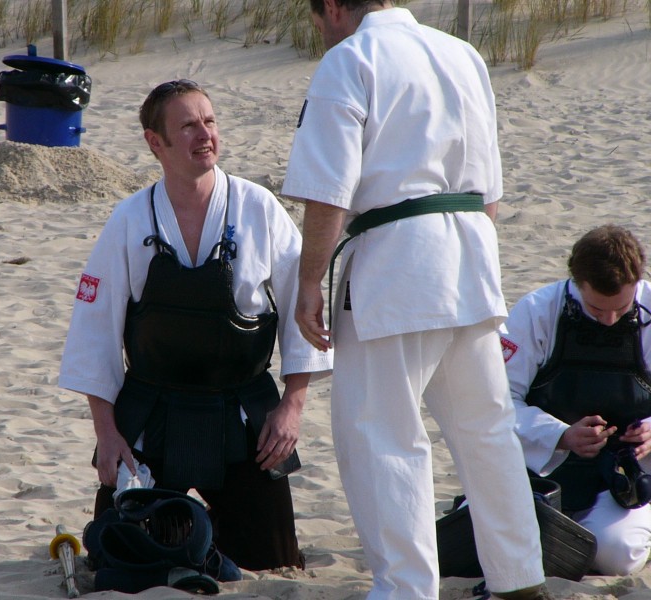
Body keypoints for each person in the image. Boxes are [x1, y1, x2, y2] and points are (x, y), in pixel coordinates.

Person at [280, 1, 548, 599]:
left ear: (332, 7)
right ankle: (521, 581)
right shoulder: (463, 54)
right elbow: (491, 194)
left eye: (318, 22)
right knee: (486, 430)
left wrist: (309, 282)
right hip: (471, 259)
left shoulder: (351, 59)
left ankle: (405, 589)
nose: (322, 33)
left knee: (382, 436)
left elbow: (328, 192)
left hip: (395, 263)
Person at [59, 79, 332, 571]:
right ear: (155, 142)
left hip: (243, 415)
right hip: (152, 416)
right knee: (120, 557)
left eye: (209, 121)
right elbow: (93, 332)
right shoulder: (129, 219)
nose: (205, 134)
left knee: (272, 560)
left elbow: (304, 308)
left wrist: (292, 405)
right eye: (188, 125)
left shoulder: (257, 207)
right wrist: (108, 434)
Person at [500, 224, 651, 576]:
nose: (610, 321)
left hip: (629, 472)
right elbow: (498, 401)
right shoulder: (537, 311)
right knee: (499, 545)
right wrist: (560, 435)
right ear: (576, 282)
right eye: (597, 310)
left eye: (621, 308)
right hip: (545, 465)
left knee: (617, 555)